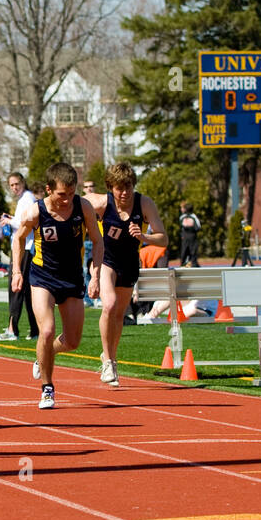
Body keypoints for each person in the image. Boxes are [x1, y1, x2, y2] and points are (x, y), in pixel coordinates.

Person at [11, 162, 101, 408]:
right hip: (43, 278)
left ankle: (45, 354)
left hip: (72, 278)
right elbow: (18, 239)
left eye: (71, 193)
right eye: (62, 194)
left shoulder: (83, 208)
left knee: (72, 341)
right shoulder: (35, 211)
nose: (67, 199)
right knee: (47, 330)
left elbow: (97, 241)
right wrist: (17, 271)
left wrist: (96, 275)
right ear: (49, 189)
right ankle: (47, 388)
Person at [88, 162, 169, 386]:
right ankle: (108, 363)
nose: (124, 193)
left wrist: (145, 238)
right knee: (110, 305)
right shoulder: (103, 203)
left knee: (119, 315)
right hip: (106, 260)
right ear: (110, 187)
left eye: (128, 187)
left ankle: (110, 357)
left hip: (130, 262)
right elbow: (77, 204)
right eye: (119, 188)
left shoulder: (144, 203)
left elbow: (163, 238)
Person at [0, 171, 38, 341]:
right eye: (12, 185)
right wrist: (12, 219)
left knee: (15, 289)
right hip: (25, 248)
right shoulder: (25, 199)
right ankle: (34, 329)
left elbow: (26, 222)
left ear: (23, 182)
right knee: (27, 291)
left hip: (23, 249)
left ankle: (12, 329)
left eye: (17, 184)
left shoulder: (27, 198)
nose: (14, 187)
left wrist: (9, 221)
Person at [178, 201, 201, 267]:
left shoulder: (185, 217)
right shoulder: (191, 217)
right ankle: (188, 264)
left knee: (188, 252)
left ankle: (188, 265)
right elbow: (198, 227)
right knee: (189, 252)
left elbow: (181, 226)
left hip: (188, 236)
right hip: (189, 236)